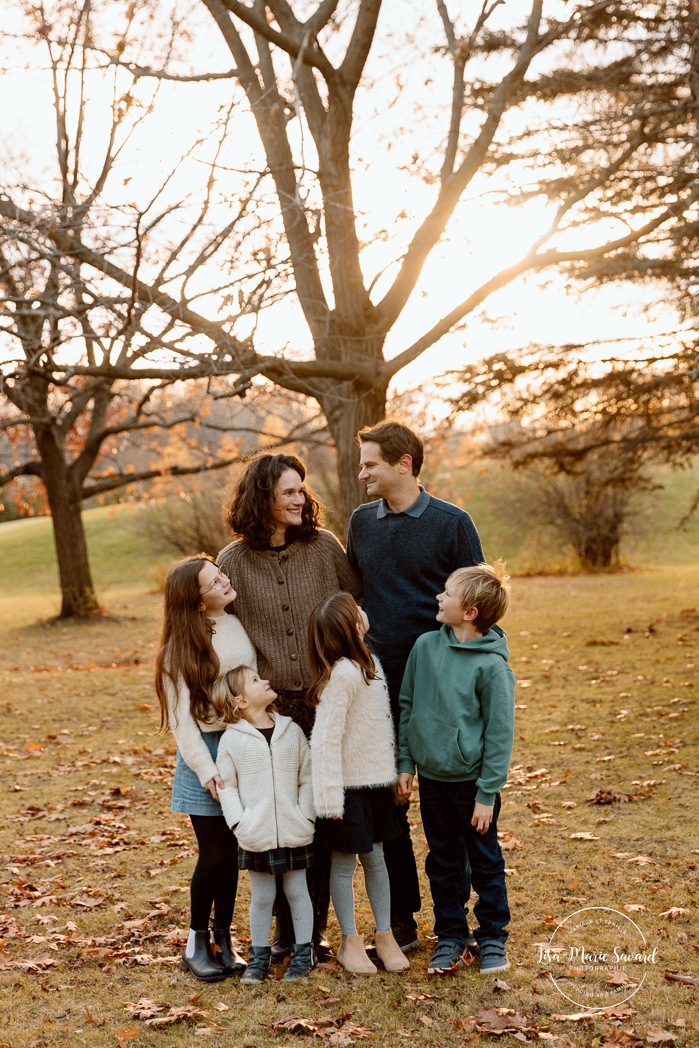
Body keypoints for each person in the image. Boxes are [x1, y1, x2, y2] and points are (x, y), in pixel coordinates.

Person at [346, 420, 484, 951]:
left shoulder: (453, 523)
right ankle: (402, 917)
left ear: (404, 463)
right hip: (379, 686)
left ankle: (460, 917)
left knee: (450, 805)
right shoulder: (362, 524)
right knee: (390, 805)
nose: (362, 474)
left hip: (441, 687)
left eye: (370, 464)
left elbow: (479, 606)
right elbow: (357, 594)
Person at [218, 453, 361, 959]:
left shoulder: (324, 548)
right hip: (270, 714)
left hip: (327, 703)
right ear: (263, 499)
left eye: (302, 490)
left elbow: (353, 610)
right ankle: (282, 933)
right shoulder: (231, 561)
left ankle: (311, 931)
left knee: (319, 817)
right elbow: (219, 627)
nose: (300, 499)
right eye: (288, 492)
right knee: (275, 818)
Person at [397, 563, 515, 976]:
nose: (438, 598)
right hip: (432, 780)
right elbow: (408, 706)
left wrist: (486, 795)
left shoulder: (492, 667)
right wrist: (405, 763)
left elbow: (500, 735)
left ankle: (493, 938)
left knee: (484, 861)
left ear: (470, 613)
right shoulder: (425, 646)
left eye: (447, 594)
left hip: (472, 787)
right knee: (443, 860)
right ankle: (450, 935)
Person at [154, 556, 255, 982]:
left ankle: (224, 938)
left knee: (233, 851)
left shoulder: (237, 621)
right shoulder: (177, 650)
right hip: (205, 754)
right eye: (214, 582)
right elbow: (181, 721)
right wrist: (207, 771)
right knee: (213, 850)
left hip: (240, 743)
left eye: (221, 574)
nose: (225, 581)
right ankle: (196, 941)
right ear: (196, 602)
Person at [307, 592, 409, 975]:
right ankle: (350, 942)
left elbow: (380, 727)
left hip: (374, 785)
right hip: (346, 790)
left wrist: (394, 772)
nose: (365, 612)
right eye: (358, 611)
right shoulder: (343, 675)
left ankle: (384, 937)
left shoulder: (370, 664)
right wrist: (329, 796)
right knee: (345, 863)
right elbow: (325, 738)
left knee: (377, 859)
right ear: (354, 626)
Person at [212, 665, 316, 983]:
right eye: (256, 681)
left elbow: (307, 777)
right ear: (241, 702)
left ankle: (302, 955)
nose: (266, 680)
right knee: (262, 896)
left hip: (293, 827)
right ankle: (258, 959)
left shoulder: (292, 731)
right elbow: (226, 787)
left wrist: (306, 815)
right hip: (255, 832)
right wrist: (240, 824)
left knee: (298, 890)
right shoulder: (232, 741)